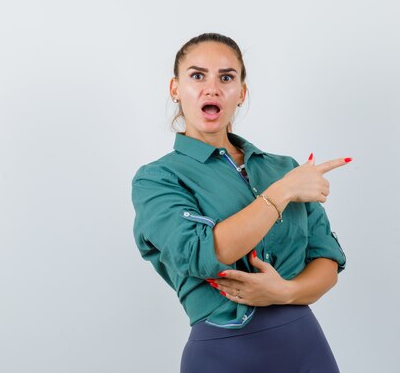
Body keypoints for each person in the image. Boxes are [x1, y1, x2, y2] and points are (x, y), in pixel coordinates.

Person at [131, 32, 352, 373]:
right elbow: (202, 254)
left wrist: (283, 291)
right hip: (223, 354)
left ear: (242, 93)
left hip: (306, 347)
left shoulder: (284, 168)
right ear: (175, 88)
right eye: (197, 75)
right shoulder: (158, 179)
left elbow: (326, 259)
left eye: (227, 77)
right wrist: (282, 193)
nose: (212, 88)